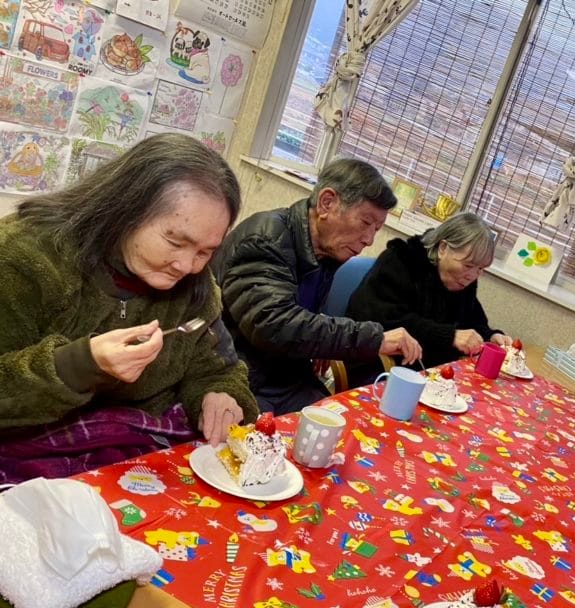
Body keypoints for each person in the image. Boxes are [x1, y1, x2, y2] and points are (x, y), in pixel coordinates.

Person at [0, 134, 257, 483]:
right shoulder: (25, 257)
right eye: (174, 241)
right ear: (126, 209)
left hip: (136, 455)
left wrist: (221, 396)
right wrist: (81, 365)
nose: (187, 266)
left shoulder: (195, 283)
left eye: (205, 251)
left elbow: (217, 368)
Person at [214, 158, 422, 414]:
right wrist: (374, 339)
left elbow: (296, 312)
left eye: (376, 229)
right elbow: (274, 325)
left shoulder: (326, 251)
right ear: (327, 203)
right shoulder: (264, 239)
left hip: (285, 373)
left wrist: (322, 342)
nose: (369, 240)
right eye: (366, 223)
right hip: (240, 377)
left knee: (350, 423)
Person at [346, 211, 511, 376]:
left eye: (481, 269)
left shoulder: (463, 280)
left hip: (432, 371)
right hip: (379, 367)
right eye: (468, 265)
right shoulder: (401, 259)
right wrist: (449, 336)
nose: (472, 275)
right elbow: (384, 321)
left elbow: (473, 322)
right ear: (443, 248)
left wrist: (491, 336)